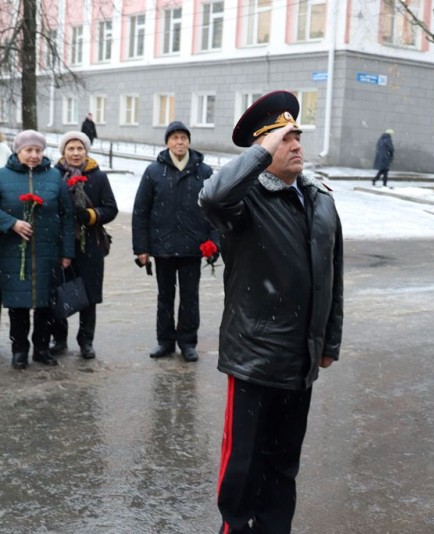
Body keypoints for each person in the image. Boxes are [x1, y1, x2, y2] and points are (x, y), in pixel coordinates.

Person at [198, 90, 343, 534]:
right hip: (254, 358)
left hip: (300, 359)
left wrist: (328, 341)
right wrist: (262, 150)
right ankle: (235, 529)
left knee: (283, 464)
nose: (296, 144)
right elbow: (213, 195)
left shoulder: (320, 200)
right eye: (284, 139)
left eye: (297, 135)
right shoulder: (244, 203)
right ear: (263, 151)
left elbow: (332, 276)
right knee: (243, 463)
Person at [132, 121, 218, 363]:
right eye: (175, 138)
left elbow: (214, 211)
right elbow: (141, 211)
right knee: (165, 296)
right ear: (167, 142)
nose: (179, 142)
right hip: (164, 247)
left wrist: (214, 243)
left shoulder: (204, 172)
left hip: (193, 247)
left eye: (183, 137)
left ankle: (188, 342)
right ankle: (165, 341)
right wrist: (142, 248)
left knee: (190, 297)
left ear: (189, 141)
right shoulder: (154, 172)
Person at [0, 130, 74, 369]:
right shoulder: (3, 176)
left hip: (48, 253)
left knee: (46, 304)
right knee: (18, 305)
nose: (33, 155)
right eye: (28, 150)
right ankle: (19, 350)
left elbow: (67, 217)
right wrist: (11, 223)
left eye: (38, 150)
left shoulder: (54, 177)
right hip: (13, 253)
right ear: (17, 151)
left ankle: (41, 349)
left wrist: (66, 252)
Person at [49, 131, 118, 359]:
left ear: (86, 151)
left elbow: (110, 208)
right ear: (63, 152)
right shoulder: (53, 175)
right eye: (71, 148)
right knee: (60, 291)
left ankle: (86, 341)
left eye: (80, 148)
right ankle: (59, 339)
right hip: (61, 244)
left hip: (91, 244)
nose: (76, 153)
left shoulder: (98, 176)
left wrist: (89, 215)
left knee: (89, 294)